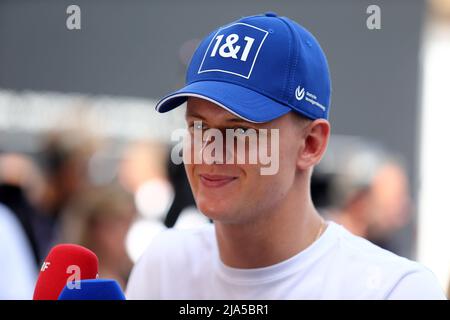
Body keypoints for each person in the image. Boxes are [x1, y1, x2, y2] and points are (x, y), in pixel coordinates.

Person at [126, 12, 445, 299]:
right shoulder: (164, 264)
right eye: (198, 126)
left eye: (240, 130)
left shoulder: (395, 289)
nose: (209, 152)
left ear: (310, 145)